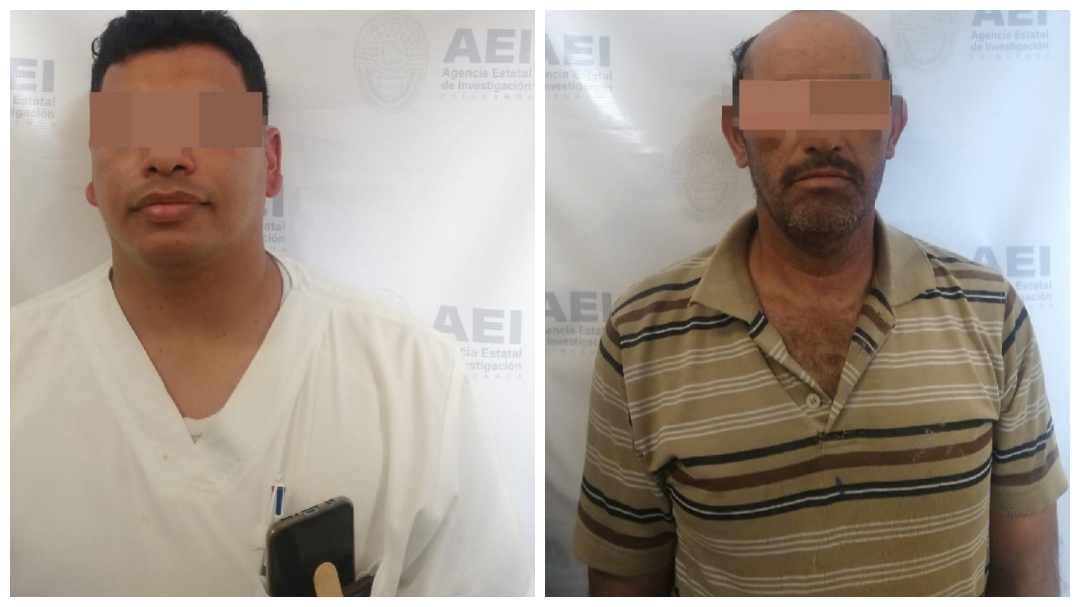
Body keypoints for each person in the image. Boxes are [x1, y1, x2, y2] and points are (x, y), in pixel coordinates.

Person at [10, 10, 529, 596]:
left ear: (272, 162)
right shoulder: (14, 369)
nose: (165, 155)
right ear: (92, 170)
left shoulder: (414, 384)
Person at [572, 10, 1066, 597]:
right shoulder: (642, 337)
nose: (823, 137)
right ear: (736, 133)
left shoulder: (991, 315)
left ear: (893, 128)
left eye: (852, 105)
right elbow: (623, 585)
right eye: (784, 106)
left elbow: (1031, 577)